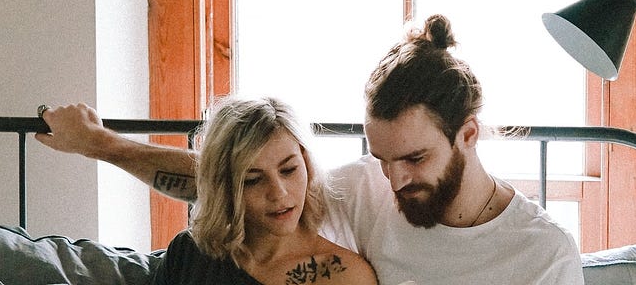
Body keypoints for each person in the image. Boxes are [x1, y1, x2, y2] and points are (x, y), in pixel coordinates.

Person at [38, 15, 582, 285]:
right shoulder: (367, 189)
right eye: (382, 158)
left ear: (468, 135)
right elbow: (227, 176)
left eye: (413, 160)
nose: (394, 180)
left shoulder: (543, 255)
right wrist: (99, 145)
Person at [56, 96, 377, 285]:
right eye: (253, 179)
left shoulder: (343, 275)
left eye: (289, 169)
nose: (279, 193)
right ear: (225, 185)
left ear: (306, 161)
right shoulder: (192, 252)